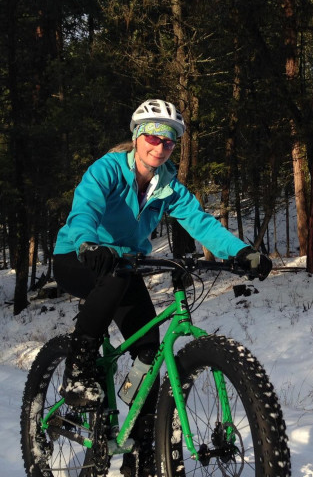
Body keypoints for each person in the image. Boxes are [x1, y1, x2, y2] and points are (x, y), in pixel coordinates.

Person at [52, 99, 271, 476]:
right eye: (153, 137)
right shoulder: (106, 170)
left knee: (149, 352)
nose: (160, 147)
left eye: (169, 142)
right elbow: (84, 209)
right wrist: (89, 243)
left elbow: (200, 223)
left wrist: (241, 252)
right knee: (116, 279)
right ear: (137, 137)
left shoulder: (168, 185)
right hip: (78, 255)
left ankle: (138, 448)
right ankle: (78, 368)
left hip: (124, 265)